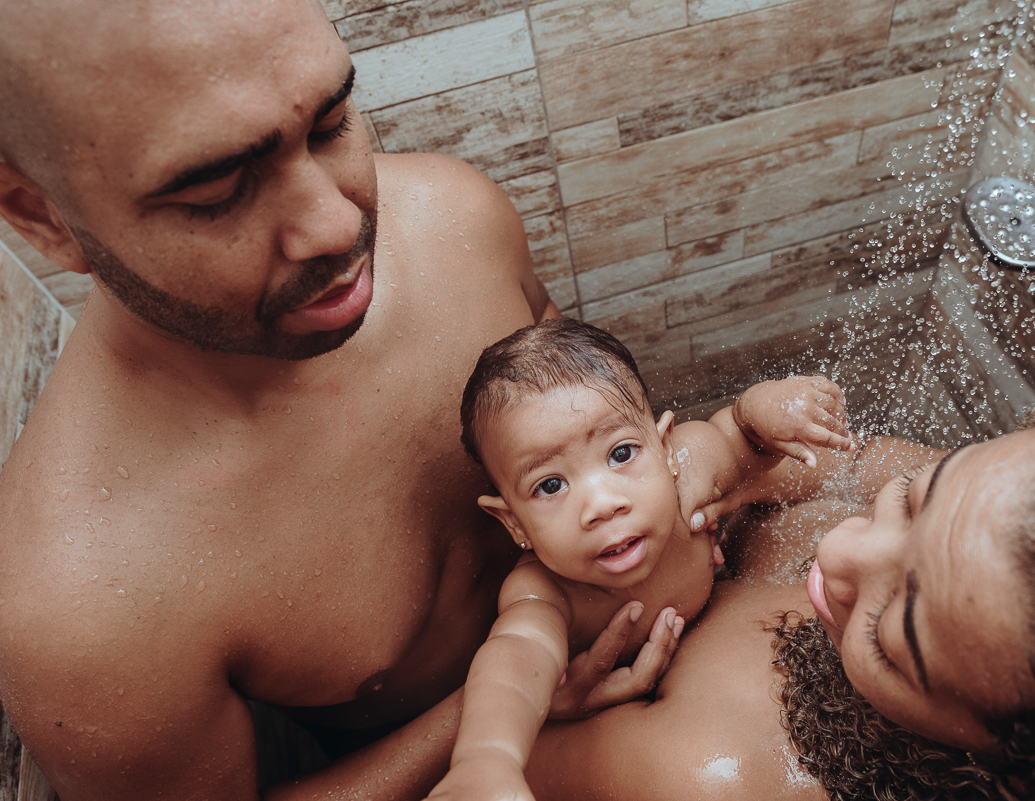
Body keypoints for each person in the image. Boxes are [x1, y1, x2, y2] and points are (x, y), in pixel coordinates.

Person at [0, 1, 717, 798]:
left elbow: (593, 407)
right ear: (42, 216)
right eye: (218, 191)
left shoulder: (453, 222)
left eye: (331, 122)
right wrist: (504, 711)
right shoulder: (81, 602)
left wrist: (712, 466)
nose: (339, 227)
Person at [519, 381, 1035, 801]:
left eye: (893, 629)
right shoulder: (1005, 527)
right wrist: (732, 460)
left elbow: (490, 762)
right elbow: (855, 463)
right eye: (913, 501)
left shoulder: (710, 772)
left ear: (1017, 770)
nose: (838, 547)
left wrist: (544, 698)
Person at [429, 318, 852, 801]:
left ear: (665, 448)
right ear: (515, 524)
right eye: (551, 485)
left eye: (621, 454)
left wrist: (767, 407)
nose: (602, 504)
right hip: (611, 719)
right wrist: (487, 758)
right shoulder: (545, 594)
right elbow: (515, 660)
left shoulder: (690, 474)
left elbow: (740, 431)